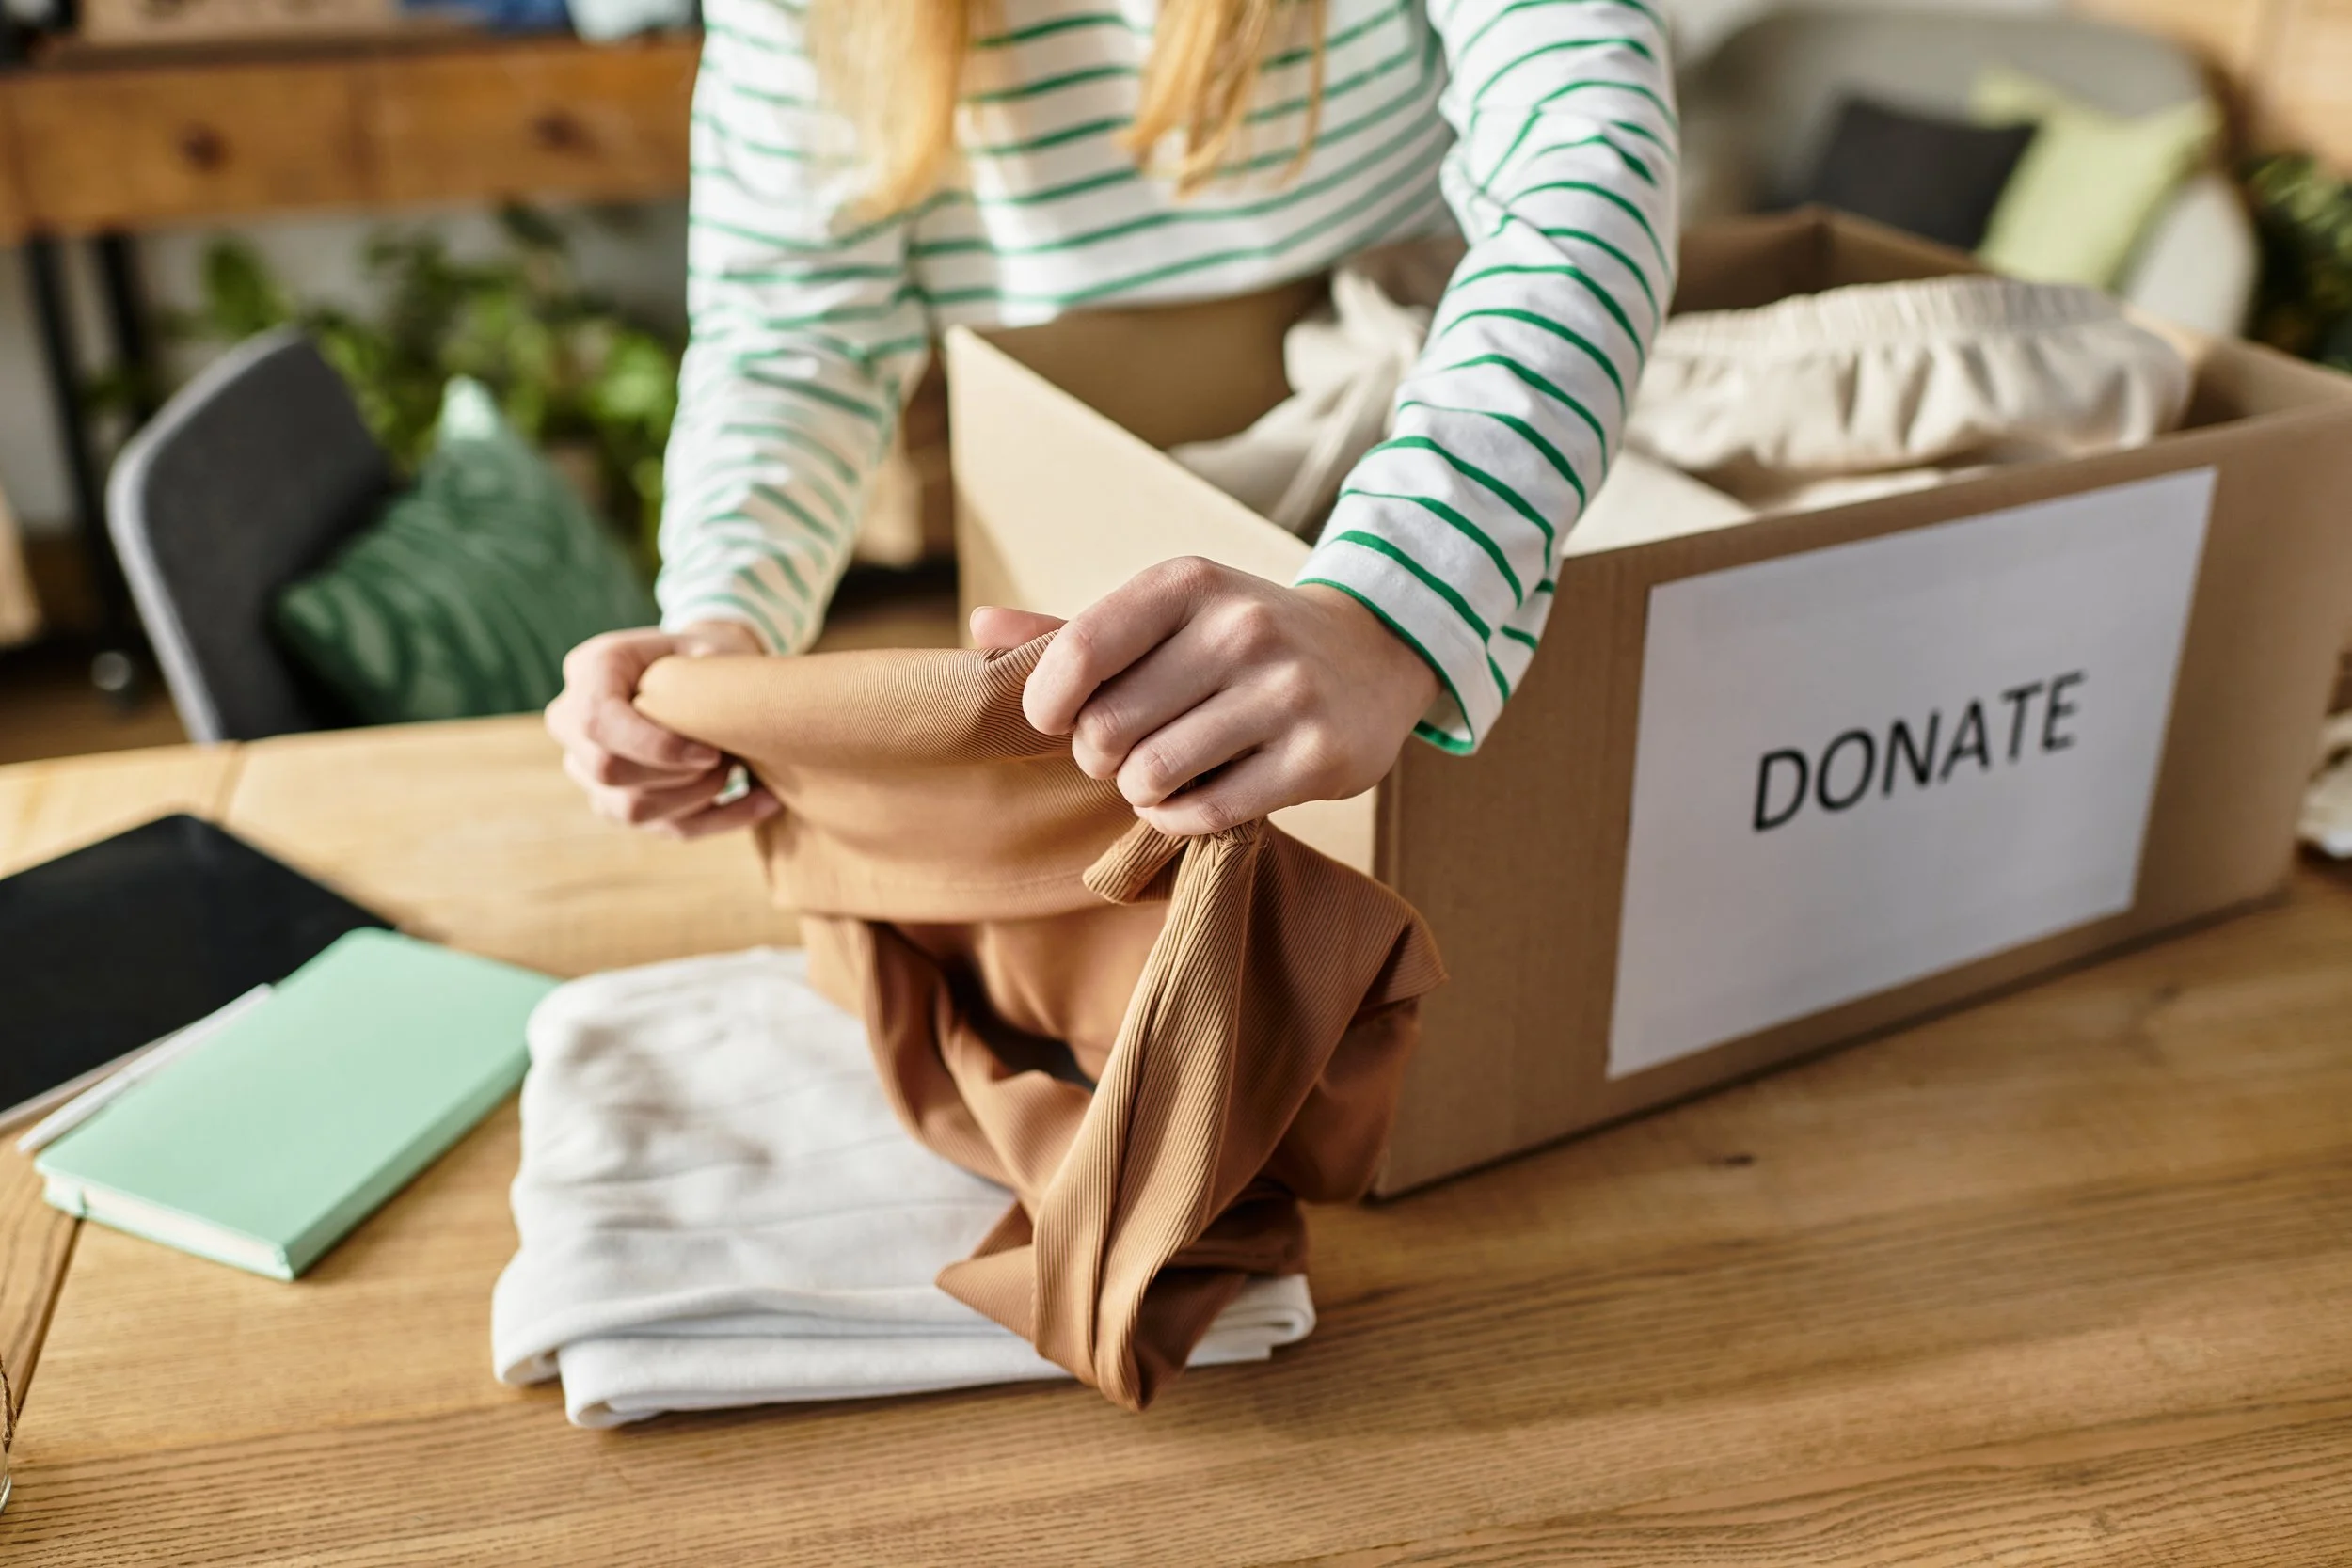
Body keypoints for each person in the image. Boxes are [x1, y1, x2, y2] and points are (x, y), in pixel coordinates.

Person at [548, 0, 1676, 839]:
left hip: (1436, 484)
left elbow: (1582, 173)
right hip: (1074, 547)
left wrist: (1392, 609)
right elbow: (796, 330)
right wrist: (721, 620)